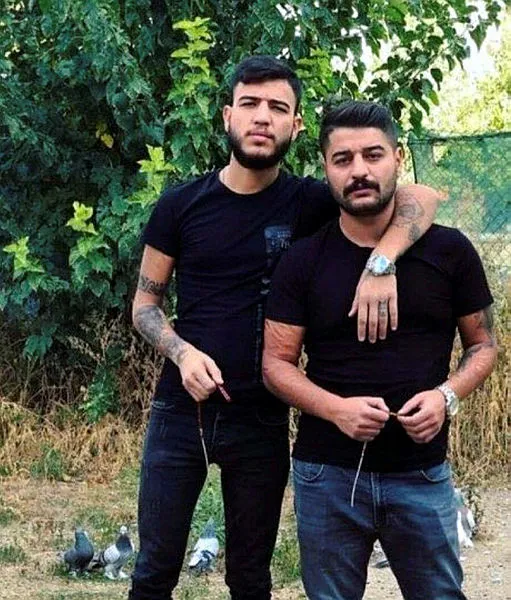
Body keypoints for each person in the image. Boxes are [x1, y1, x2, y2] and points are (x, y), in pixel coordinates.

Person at [129, 57, 441, 600]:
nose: (261, 117)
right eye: (249, 104)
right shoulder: (180, 205)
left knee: (250, 577)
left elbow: (422, 197)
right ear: (227, 115)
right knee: (154, 570)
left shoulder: (311, 201)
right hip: (181, 411)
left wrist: (382, 263)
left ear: (295, 126)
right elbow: (144, 306)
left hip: (263, 416)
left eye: (277, 108)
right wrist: (181, 354)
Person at [262, 100, 498, 600]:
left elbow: (483, 346)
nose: (360, 171)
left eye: (373, 155)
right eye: (343, 159)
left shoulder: (450, 251)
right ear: (325, 168)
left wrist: (446, 397)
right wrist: (336, 410)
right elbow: (275, 365)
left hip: (421, 472)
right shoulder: (303, 260)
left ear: (398, 157)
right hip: (327, 475)